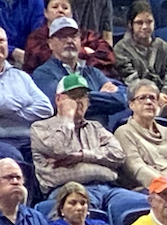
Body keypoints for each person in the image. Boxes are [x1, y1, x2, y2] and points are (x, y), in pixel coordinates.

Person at [31, 74, 126, 208]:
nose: (79, 101)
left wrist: (82, 156)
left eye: (83, 96)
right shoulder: (41, 127)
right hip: (67, 191)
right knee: (87, 211)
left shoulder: (96, 127)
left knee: (138, 203)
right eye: (73, 96)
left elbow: (118, 155)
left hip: (107, 189)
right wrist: (67, 118)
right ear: (58, 99)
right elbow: (61, 150)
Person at [113, 5, 167, 112]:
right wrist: (155, 96)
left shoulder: (163, 46)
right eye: (139, 23)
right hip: (139, 99)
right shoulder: (121, 49)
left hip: (164, 97)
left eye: (149, 22)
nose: (145, 26)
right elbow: (131, 80)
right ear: (130, 25)